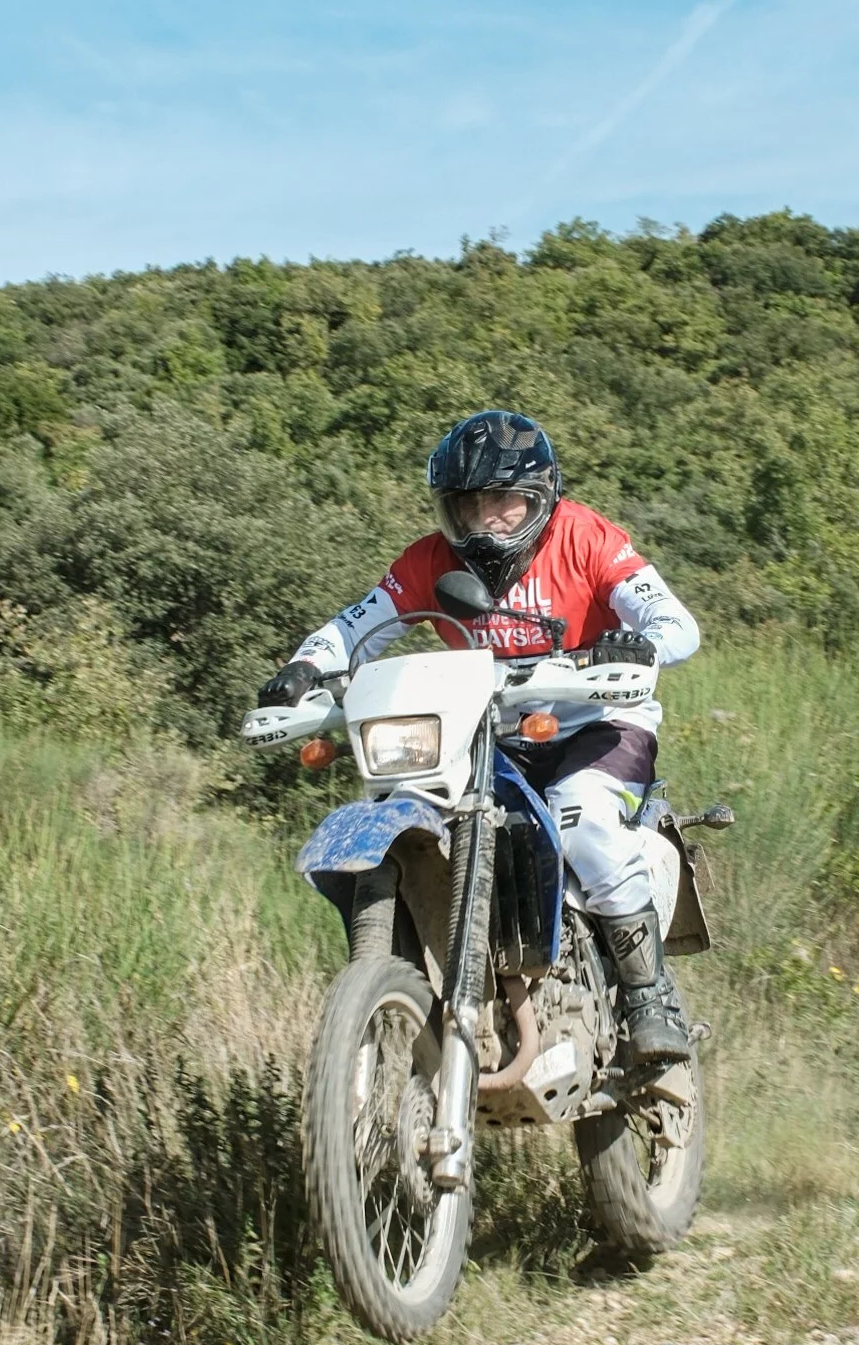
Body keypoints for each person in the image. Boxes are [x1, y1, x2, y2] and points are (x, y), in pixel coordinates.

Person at [257, 408, 701, 1065]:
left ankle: (647, 996)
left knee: (584, 827)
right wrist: (304, 667)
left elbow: (675, 621)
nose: (485, 520)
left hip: (597, 720)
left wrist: (640, 642)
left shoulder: (586, 538)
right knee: (409, 808)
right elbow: (355, 625)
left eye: (504, 502)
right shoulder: (428, 561)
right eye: (467, 505)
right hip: (483, 729)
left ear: (540, 501)